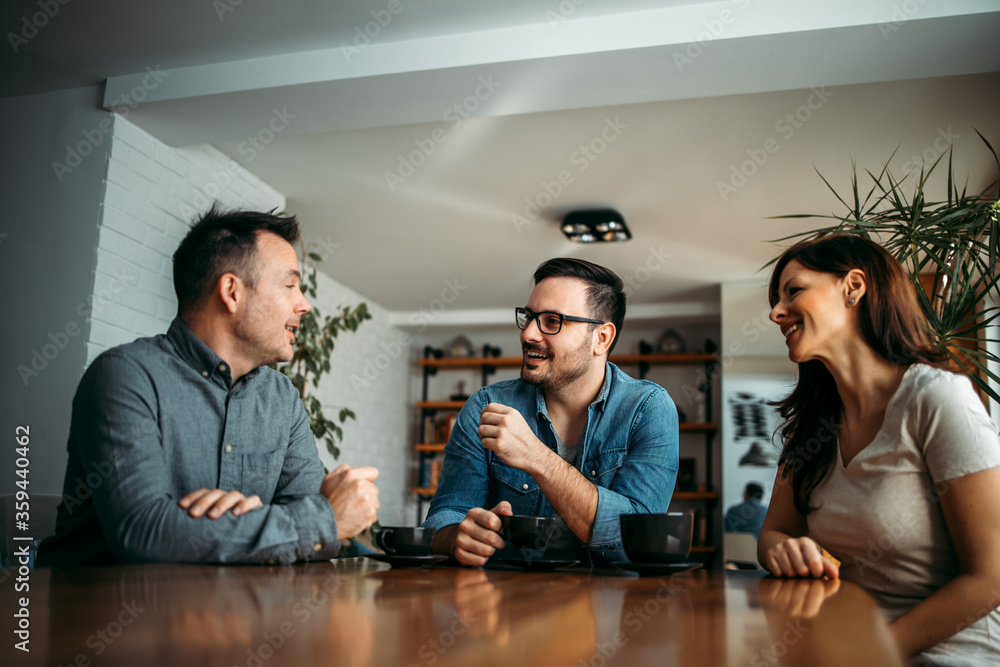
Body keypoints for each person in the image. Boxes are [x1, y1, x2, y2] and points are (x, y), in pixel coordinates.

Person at [37, 207, 380, 566]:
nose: (304, 304)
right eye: (290, 285)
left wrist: (264, 527)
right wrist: (315, 520)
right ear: (231, 292)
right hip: (99, 615)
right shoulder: (124, 376)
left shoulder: (282, 399)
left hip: (222, 614)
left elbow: (322, 544)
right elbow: (145, 534)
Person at [758, 234, 1000, 663]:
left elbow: (992, 577)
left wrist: (874, 651)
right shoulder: (812, 426)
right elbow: (774, 533)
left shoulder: (938, 398)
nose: (776, 312)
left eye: (793, 291)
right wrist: (784, 548)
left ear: (853, 287)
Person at [423, 257, 679, 566]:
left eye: (552, 321)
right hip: (502, 603)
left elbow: (640, 543)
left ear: (601, 338)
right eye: (529, 317)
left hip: (612, 607)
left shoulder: (649, 408)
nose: (528, 334)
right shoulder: (484, 406)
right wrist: (457, 537)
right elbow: (444, 518)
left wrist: (536, 457)